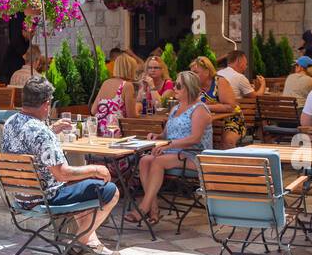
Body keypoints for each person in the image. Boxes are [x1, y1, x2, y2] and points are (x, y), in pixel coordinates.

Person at [2, 77, 123, 255]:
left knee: (80, 184)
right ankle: (79, 243)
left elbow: (30, 140)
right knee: (109, 190)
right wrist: (95, 168)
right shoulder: (42, 133)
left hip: (22, 197)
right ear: (47, 104)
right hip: (47, 198)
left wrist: (51, 129)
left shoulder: (10, 123)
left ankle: (91, 241)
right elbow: (62, 174)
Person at [127, 71, 213, 226]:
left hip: (195, 156)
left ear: (189, 88)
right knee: (145, 160)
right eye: (175, 84)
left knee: (158, 162)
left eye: (179, 86)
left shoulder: (199, 109)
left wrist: (170, 145)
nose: (174, 88)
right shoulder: (175, 108)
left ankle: (143, 208)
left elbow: (195, 138)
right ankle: (154, 210)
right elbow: (166, 134)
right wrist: (156, 136)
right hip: (174, 154)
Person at [190, 55, 245, 148]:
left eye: (195, 72)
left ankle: (225, 162)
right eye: (191, 73)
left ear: (207, 72)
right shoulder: (193, 86)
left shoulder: (220, 82)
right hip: (204, 121)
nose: (192, 76)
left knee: (228, 141)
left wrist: (204, 106)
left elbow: (230, 107)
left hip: (230, 121)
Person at [215, 50, 266, 136]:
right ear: (239, 61)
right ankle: (266, 142)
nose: (246, 67)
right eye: (245, 63)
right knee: (263, 116)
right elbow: (256, 97)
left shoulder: (217, 73)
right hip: (235, 116)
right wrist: (263, 84)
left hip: (217, 116)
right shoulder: (239, 77)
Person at [91, 53, 141, 138]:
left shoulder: (106, 83)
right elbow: (131, 115)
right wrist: (139, 106)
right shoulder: (127, 85)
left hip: (99, 132)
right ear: (130, 69)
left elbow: (93, 111)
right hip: (116, 133)